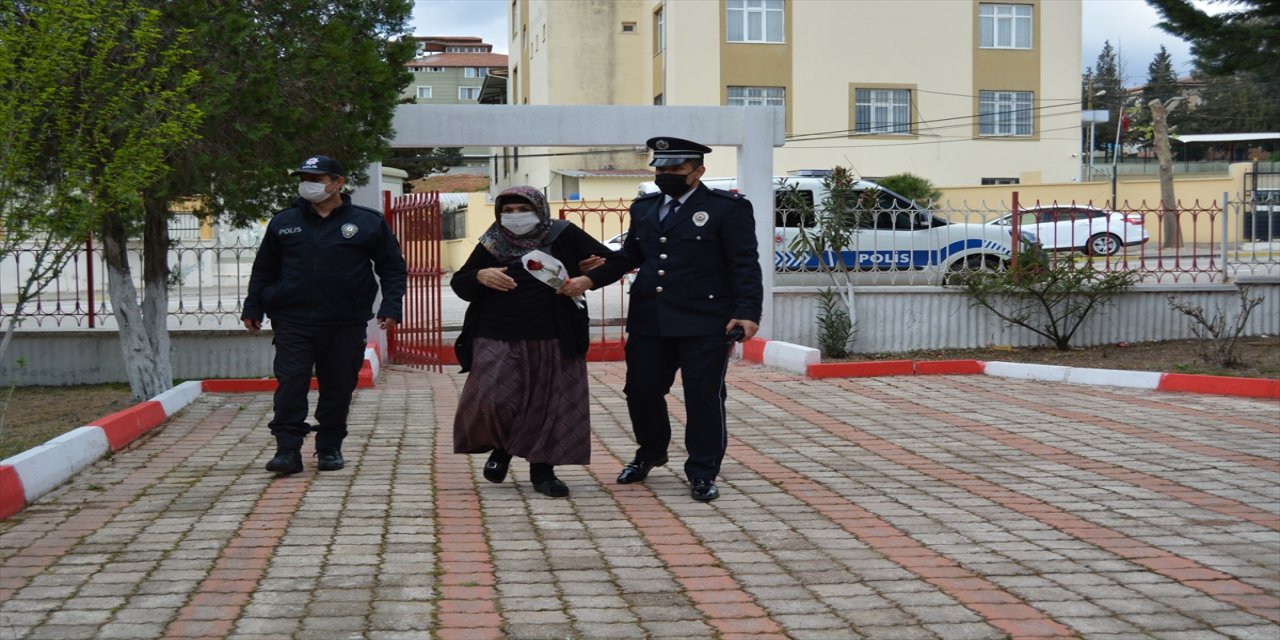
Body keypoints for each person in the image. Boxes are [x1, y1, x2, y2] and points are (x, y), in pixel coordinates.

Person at [559, 136, 763, 502]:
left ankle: (702, 470)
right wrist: (590, 280)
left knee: (703, 395)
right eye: (660, 168)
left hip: (706, 319)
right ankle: (651, 451)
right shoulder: (645, 208)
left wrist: (747, 312)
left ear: (698, 171)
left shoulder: (727, 208)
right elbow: (630, 256)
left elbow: (744, 263)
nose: (665, 175)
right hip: (650, 318)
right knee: (641, 391)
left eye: (675, 169)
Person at [451, 186, 623, 498]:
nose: (516, 216)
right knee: (495, 399)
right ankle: (502, 449)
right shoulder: (492, 241)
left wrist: (586, 279)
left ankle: (542, 470)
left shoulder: (562, 234)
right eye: (509, 210)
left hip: (554, 333)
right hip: (496, 332)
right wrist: (480, 276)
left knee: (548, 404)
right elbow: (460, 282)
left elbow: (614, 261)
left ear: (540, 209)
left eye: (523, 209)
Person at [242, 155, 407, 475]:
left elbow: (392, 268)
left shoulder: (367, 221)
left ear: (338, 183)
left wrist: (391, 307)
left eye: (316, 179)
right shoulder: (284, 222)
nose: (309, 184)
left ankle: (329, 446)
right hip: (293, 319)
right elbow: (263, 270)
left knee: (338, 385)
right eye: (304, 178)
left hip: (345, 320)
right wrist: (253, 307)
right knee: (291, 382)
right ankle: (287, 450)